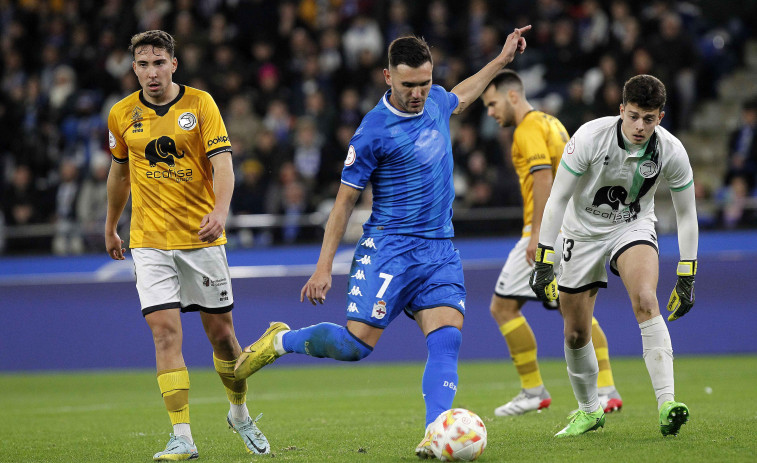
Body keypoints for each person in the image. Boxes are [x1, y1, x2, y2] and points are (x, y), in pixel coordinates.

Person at [234, 28, 532, 458]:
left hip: (439, 250)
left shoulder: (436, 102)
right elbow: (342, 206)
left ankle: (435, 433)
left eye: (425, 83)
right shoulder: (373, 131)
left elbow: (462, 94)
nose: (417, 93)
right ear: (386, 77)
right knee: (355, 347)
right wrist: (323, 267)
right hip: (389, 249)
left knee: (447, 337)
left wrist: (501, 60)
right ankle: (281, 341)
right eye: (408, 84)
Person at [104, 30, 269, 460]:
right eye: (143, 64)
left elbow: (224, 166)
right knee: (164, 334)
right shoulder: (121, 114)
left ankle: (239, 412)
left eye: (159, 62)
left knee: (223, 339)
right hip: (149, 242)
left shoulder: (201, 104)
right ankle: (183, 436)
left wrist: (220, 211)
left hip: (201, 239)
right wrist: (110, 226)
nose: (151, 72)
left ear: (174, 64)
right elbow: (119, 175)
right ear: (134, 68)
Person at [529, 74, 697, 437]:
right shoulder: (589, 138)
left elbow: (686, 213)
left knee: (646, 299)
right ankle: (590, 410)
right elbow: (557, 199)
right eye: (633, 116)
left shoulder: (671, 151)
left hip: (631, 227)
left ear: (660, 117)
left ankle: (667, 403)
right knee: (575, 332)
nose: (639, 126)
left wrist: (687, 273)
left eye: (648, 119)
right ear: (621, 110)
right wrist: (545, 258)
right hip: (581, 233)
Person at [480, 70, 622, 417]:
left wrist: (537, 236)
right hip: (575, 228)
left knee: (502, 307)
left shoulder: (526, 129)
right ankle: (607, 390)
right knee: (575, 311)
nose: (490, 112)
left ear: (512, 96)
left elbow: (543, 179)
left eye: (492, 103)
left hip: (547, 230)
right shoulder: (552, 122)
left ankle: (533, 391)